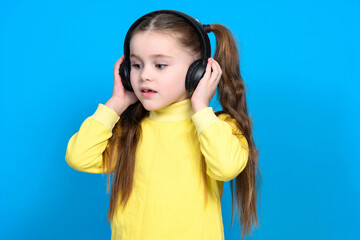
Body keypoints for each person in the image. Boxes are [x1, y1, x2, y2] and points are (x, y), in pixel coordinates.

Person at [65, 10, 260, 240]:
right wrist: (116, 103)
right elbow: (79, 157)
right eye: (136, 65)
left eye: (160, 65)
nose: (144, 75)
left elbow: (226, 167)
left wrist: (201, 107)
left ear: (198, 72)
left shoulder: (218, 127)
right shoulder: (129, 130)